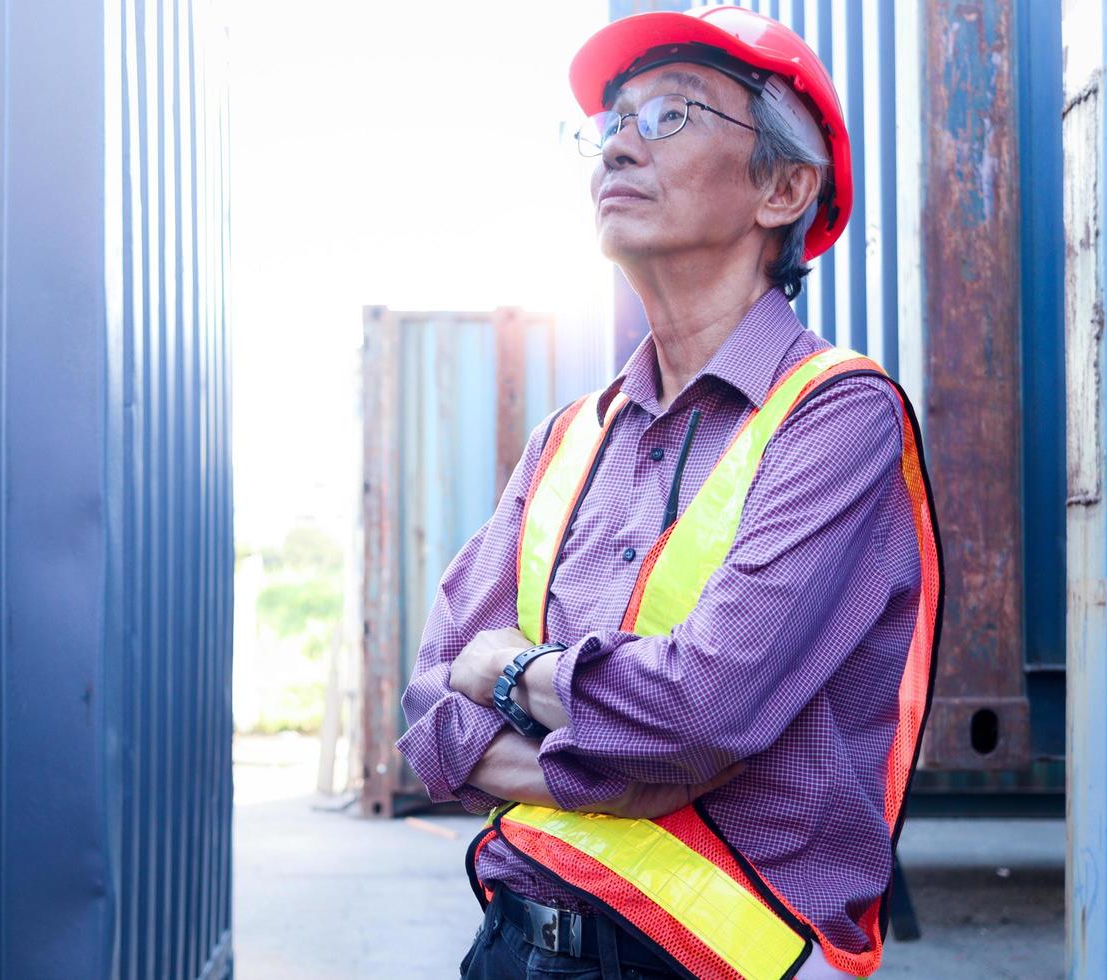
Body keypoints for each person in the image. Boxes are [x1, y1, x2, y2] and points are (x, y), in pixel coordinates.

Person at [394, 6, 943, 980]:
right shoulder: (571, 438)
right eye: (608, 128)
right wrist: (630, 767)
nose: (616, 151)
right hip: (514, 944)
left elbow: (702, 708)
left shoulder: (838, 418)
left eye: (670, 116)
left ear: (783, 185)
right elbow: (430, 713)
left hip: (720, 959)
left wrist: (516, 677)